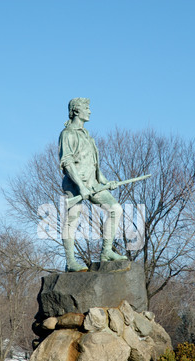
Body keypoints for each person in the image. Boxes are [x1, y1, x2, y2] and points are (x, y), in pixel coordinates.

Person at [59, 97, 127, 272]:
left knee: (115, 209)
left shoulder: (87, 136)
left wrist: (104, 180)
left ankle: (106, 252)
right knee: (72, 219)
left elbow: (93, 163)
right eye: (86, 108)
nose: (89, 111)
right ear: (75, 111)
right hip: (75, 185)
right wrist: (81, 187)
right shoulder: (68, 134)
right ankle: (70, 262)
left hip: (93, 183)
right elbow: (67, 162)